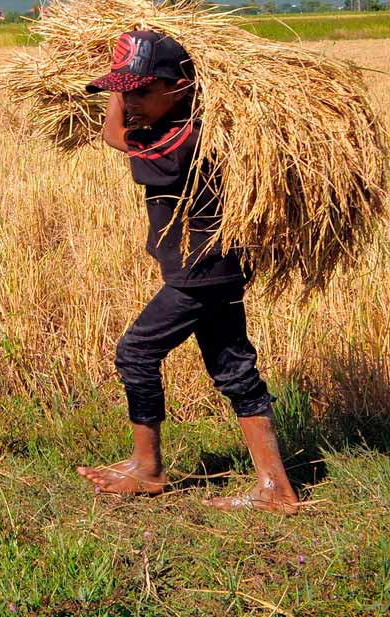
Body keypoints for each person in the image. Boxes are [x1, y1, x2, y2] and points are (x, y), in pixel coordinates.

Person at [76, 30, 299, 515]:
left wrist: (114, 92)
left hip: (198, 274)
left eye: (140, 91)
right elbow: (130, 125)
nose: (131, 102)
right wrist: (124, 84)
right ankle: (275, 487)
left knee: (135, 353)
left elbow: (113, 136)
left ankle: (148, 468)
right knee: (234, 369)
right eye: (125, 91)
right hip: (219, 269)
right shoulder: (194, 125)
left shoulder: (183, 140)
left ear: (180, 85)